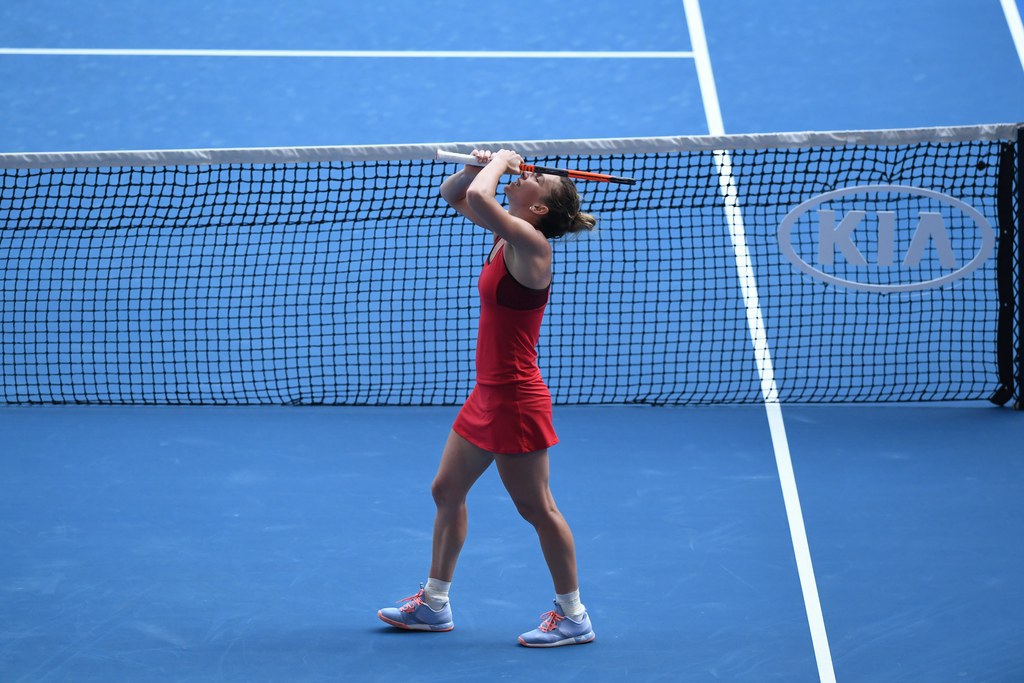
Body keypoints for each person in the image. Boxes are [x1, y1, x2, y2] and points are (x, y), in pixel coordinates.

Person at [377, 149, 597, 647]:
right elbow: (459, 193)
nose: (525, 175)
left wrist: (499, 160)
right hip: (488, 393)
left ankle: (573, 615)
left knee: (537, 508)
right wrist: (479, 166)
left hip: (517, 398)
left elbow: (480, 196)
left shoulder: (531, 244)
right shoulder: (505, 235)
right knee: (446, 490)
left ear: (538, 209)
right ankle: (434, 604)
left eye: (533, 177)